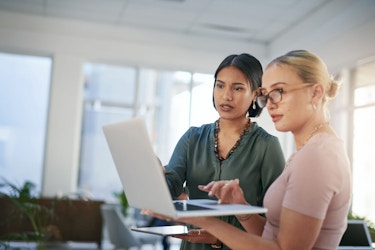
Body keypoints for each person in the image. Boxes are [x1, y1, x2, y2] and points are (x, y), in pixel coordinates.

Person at [147, 50, 352, 250]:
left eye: (279, 91)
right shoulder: (308, 153)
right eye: (268, 94)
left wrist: (209, 226)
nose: (270, 103)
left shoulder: (314, 156)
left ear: (316, 93)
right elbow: (273, 233)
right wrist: (241, 208)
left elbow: (282, 246)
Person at [163, 53, 286, 250]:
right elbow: (169, 187)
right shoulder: (192, 138)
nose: (226, 95)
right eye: (220, 85)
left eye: (238, 88)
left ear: (256, 93)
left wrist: (219, 238)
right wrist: (154, 175)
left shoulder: (266, 146)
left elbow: (276, 227)